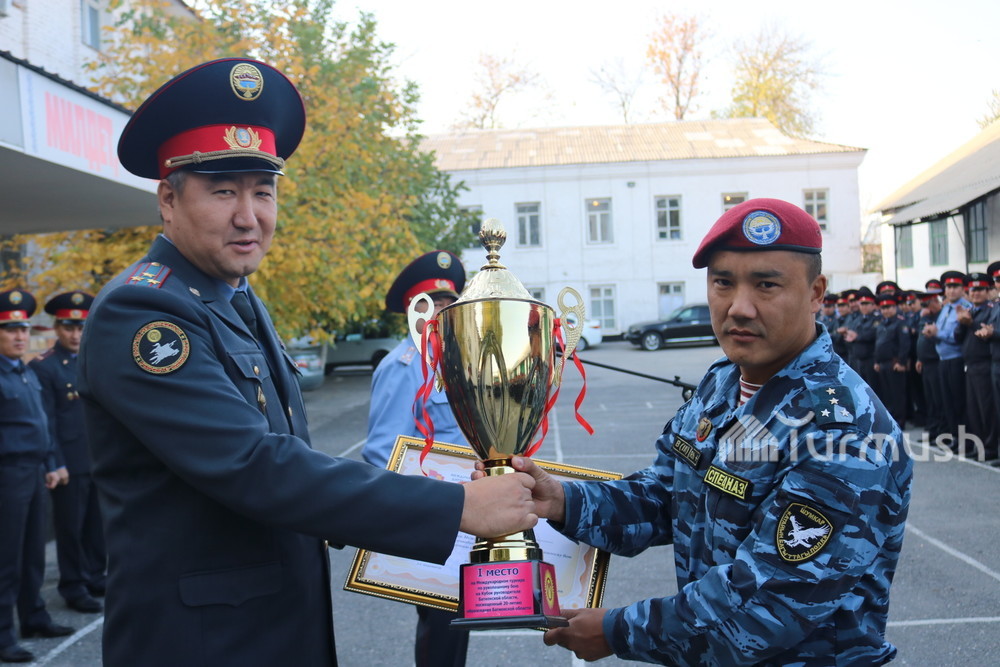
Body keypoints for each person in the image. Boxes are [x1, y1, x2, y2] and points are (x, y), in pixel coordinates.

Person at [76, 58, 538, 667]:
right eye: (223, 191)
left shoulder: (233, 295)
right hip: (203, 643)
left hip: (270, 626)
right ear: (167, 199)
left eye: (262, 191)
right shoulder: (143, 311)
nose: (250, 216)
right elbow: (253, 464)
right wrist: (456, 508)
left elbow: (289, 456)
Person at [496, 199, 913, 664]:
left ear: (816, 293)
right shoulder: (721, 384)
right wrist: (564, 502)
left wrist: (618, 632)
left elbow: (765, 611)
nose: (739, 307)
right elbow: (666, 496)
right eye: (722, 283)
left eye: (766, 285)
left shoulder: (842, 432)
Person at [364, 250, 470, 667]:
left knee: (462, 622)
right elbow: (382, 454)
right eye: (434, 305)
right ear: (414, 310)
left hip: (470, 514)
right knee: (441, 630)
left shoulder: (457, 361)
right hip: (435, 519)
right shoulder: (403, 366)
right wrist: (423, 513)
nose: (443, 313)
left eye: (450, 305)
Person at [0, 290, 73, 664]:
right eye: (10, 330)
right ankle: (2, 634)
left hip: (32, 473)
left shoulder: (23, 372)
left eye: (23, 329)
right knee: (6, 558)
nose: (19, 336)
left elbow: (40, 425)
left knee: (32, 555)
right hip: (7, 475)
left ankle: (33, 617)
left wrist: (50, 463)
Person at [29, 291, 107, 614]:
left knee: (97, 525)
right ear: (57, 328)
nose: (75, 334)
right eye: (68, 327)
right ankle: (73, 585)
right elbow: (46, 421)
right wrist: (55, 461)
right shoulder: (44, 367)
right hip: (68, 462)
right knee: (70, 529)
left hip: (98, 458)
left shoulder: (96, 361)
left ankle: (94, 575)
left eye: (81, 327)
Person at [923, 270, 971, 447]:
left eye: (955, 286)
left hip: (956, 359)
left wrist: (938, 333)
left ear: (962, 288)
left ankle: (966, 439)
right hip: (942, 360)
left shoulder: (965, 307)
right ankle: (955, 436)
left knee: (959, 402)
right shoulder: (945, 309)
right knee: (947, 402)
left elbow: (956, 337)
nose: (951, 291)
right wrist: (932, 333)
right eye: (948, 287)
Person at [955, 273, 997, 461]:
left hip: (983, 364)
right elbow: (958, 337)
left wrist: (970, 323)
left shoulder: (990, 309)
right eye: (973, 290)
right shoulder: (970, 310)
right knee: (973, 409)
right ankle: (979, 444)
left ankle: (989, 447)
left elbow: (986, 332)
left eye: (980, 289)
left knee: (986, 408)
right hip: (969, 365)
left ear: (988, 291)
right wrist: (962, 323)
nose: (976, 293)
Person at [872, 292, 909, 427]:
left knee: (897, 393)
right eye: (883, 308)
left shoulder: (900, 323)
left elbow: (904, 345)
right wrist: (876, 361)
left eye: (889, 307)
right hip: (883, 363)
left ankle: (900, 420)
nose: (886, 311)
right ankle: (891, 419)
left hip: (894, 363)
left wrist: (901, 362)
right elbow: (878, 344)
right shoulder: (882, 324)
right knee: (887, 394)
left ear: (894, 308)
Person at [915, 284, 945, 444]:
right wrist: (919, 358)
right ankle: (932, 430)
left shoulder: (940, 316)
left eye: (928, 303)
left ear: (935, 301)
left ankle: (940, 432)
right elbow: (921, 340)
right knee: (930, 400)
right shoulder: (925, 317)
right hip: (925, 362)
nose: (926, 307)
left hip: (935, 362)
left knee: (938, 399)